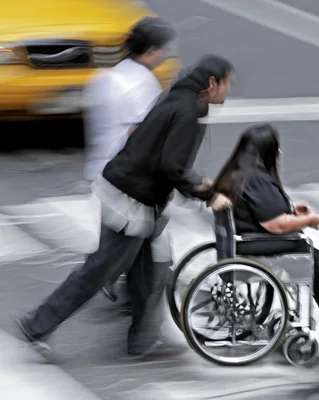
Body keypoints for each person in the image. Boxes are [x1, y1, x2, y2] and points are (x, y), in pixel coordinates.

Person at [17, 55, 234, 358]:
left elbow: (165, 157)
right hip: (131, 202)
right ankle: (36, 324)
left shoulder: (178, 98)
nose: (229, 90)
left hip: (135, 196)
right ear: (212, 84)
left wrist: (198, 183)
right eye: (228, 83)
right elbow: (172, 165)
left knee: (152, 268)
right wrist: (207, 194)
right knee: (98, 272)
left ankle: (142, 341)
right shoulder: (187, 111)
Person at [211, 124, 319, 358]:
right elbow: (275, 224)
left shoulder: (236, 174)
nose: (279, 153)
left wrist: (292, 208)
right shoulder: (257, 179)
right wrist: (308, 220)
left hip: (242, 242)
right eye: (276, 148)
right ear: (266, 151)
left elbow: (260, 210)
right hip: (256, 245)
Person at [82, 16, 177, 304]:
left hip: (102, 171)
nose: (167, 54)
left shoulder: (106, 76)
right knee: (136, 240)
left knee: (128, 241)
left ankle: (129, 288)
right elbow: (142, 135)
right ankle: (120, 286)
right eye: (164, 49)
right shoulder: (144, 86)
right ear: (151, 50)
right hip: (128, 179)